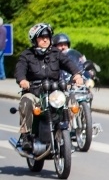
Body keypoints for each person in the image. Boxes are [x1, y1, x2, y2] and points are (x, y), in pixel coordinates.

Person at [14, 23, 83, 151]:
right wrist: (22, 80)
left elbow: (68, 63)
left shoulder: (56, 53)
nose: (45, 39)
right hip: (35, 92)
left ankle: (68, 131)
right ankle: (25, 135)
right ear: (35, 40)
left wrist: (77, 75)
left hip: (54, 93)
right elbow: (20, 70)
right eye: (41, 37)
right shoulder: (27, 55)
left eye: (47, 36)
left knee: (71, 100)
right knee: (26, 101)